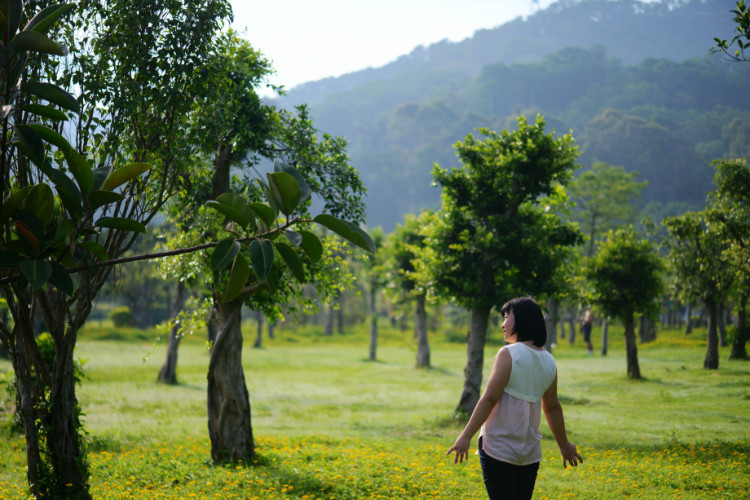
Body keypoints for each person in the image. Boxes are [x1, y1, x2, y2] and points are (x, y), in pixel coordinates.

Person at [446, 296, 582, 500]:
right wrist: (564, 445)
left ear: (522, 320)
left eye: (507, 316)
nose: (502, 323)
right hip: (529, 453)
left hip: (498, 447)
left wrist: (466, 436)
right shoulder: (549, 360)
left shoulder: (508, 353)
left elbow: (489, 399)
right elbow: (552, 407)